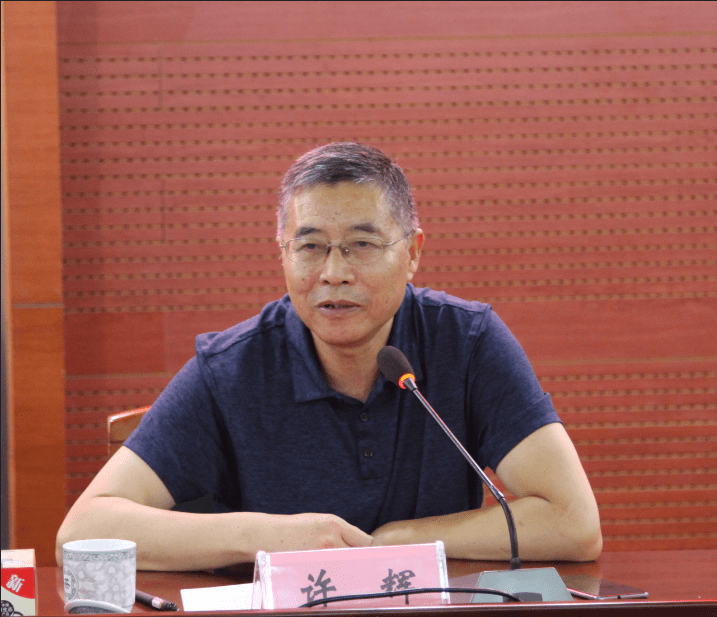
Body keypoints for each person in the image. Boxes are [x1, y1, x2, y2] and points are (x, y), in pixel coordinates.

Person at [56, 142, 602, 571]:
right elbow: (82, 531)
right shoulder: (232, 369)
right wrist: (266, 535)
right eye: (311, 246)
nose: (334, 273)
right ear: (283, 253)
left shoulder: (467, 342)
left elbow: (574, 523)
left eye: (362, 245)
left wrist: (402, 539)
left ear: (412, 252)